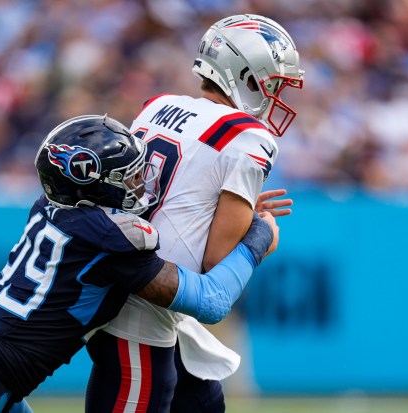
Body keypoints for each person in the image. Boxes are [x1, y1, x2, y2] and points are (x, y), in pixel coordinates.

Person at [0, 114, 279, 413]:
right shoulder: (111, 239)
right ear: (95, 185)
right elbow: (211, 301)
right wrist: (258, 240)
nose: (142, 183)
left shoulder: (55, 208)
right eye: (129, 176)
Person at [85, 13, 304, 413]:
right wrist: (262, 235)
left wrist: (228, 208)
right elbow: (217, 266)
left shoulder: (159, 106)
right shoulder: (248, 137)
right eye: (272, 83)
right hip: (145, 319)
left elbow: (162, 193)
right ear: (247, 75)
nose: (276, 95)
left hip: (140, 299)